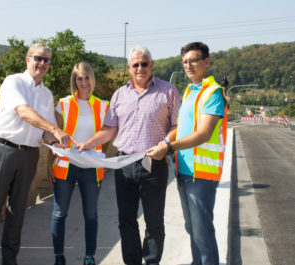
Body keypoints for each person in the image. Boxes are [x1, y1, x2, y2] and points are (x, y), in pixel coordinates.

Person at [77, 45, 180, 265]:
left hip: (153, 163)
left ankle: (151, 261)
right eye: (136, 64)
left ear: (151, 64)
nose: (140, 68)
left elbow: (177, 126)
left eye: (144, 63)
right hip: (124, 164)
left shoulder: (168, 91)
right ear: (129, 68)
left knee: (153, 221)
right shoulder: (119, 94)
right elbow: (109, 129)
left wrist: (165, 145)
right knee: (126, 220)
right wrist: (88, 143)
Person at [0, 43, 69, 265]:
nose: (43, 64)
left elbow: (45, 134)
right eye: (38, 58)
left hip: (29, 155)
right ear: (28, 60)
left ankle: (10, 261)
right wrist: (55, 128)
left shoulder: (47, 94)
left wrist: (58, 141)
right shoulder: (13, 82)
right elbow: (24, 112)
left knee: (17, 213)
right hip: (3, 150)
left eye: (47, 60)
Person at [147, 42, 227, 265]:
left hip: (201, 174)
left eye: (193, 60)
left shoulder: (213, 93)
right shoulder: (190, 91)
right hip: (184, 171)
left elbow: (203, 134)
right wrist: (164, 142)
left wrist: (169, 148)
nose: (188, 65)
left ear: (206, 61)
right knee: (192, 228)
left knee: (202, 233)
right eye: (185, 62)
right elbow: (182, 128)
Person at [48, 62, 109, 265]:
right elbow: (54, 135)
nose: (83, 82)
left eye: (86, 77)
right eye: (79, 78)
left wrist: (98, 158)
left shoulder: (103, 105)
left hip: (91, 166)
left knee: (90, 213)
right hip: (65, 166)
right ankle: (59, 257)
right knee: (59, 212)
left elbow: (106, 138)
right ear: (74, 80)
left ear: (92, 78)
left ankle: (89, 257)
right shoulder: (63, 104)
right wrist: (50, 164)